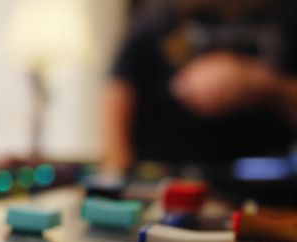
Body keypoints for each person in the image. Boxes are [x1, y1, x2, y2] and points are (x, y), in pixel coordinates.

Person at [102, 0, 297, 176]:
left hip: (272, 185)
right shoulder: (155, 18)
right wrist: (117, 171)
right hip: (168, 183)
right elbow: (118, 92)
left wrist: (261, 82)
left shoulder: (285, 15)